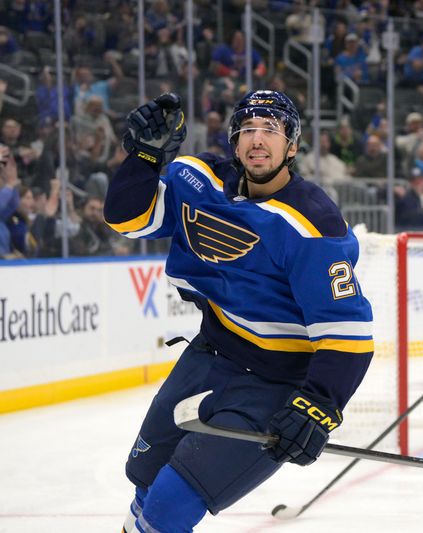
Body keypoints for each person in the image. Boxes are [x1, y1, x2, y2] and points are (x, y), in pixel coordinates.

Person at [105, 90, 374, 532]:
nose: (257, 139)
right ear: (233, 141)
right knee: (145, 482)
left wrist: (318, 406)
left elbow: (349, 334)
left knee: (169, 507)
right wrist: (142, 159)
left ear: (292, 146)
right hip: (211, 355)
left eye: (271, 130)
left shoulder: (313, 225)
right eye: (247, 129)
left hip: (275, 382)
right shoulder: (201, 179)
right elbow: (127, 221)